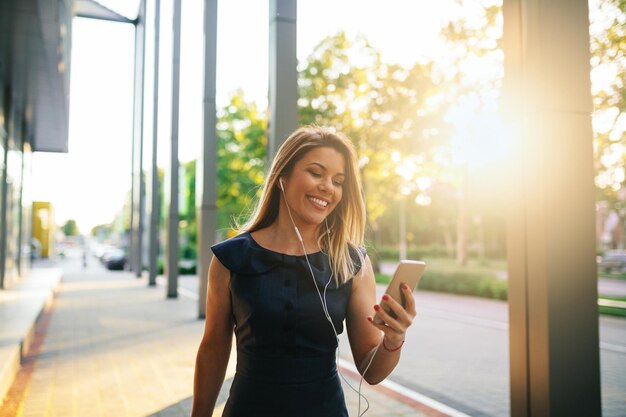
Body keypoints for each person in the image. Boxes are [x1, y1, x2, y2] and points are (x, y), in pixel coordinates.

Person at [191, 125, 416, 417]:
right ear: (283, 176)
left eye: (338, 181)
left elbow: (371, 371)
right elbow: (213, 350)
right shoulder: (231, 258)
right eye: (315, 172)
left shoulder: (352, 264)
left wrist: (394, 339)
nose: (328, 187)